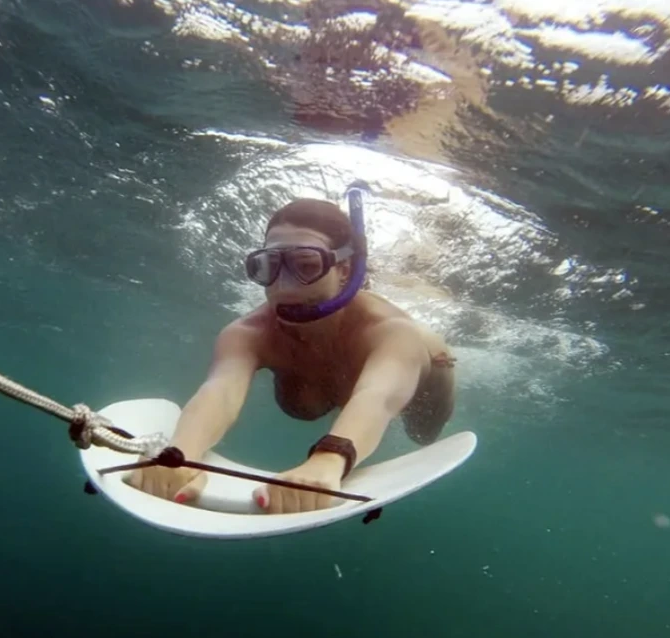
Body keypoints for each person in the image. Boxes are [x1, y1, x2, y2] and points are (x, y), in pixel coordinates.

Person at [126, 187, 456, 514]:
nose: (284, 286)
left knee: (423, 433)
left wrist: (328, 460)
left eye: (307, 265)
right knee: (304, 404)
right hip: (330, 381)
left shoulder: (390, 331)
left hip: (430, 366)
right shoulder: (247, 333)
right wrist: (181, 454)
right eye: (269, 266)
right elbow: (221, 390)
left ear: (344, 269)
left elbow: (378, 396)